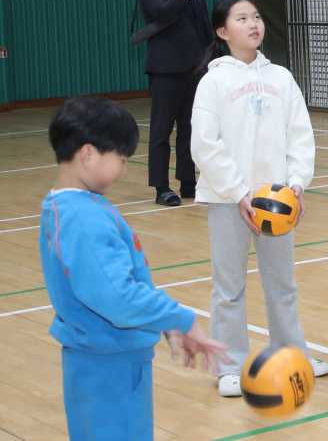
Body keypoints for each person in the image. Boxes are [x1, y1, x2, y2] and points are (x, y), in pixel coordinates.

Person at [39, 97, 227, 440]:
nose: (123, 170)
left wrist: (164, 326)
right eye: (121, 159)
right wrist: (179, 318)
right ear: (88, 153)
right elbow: (117, 297)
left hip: (106, 360)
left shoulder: (73, 206)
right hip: (108, 370)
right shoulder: (83, 218)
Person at [190, 0, 328, 397]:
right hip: (227, 200)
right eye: (241, 18)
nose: (253, 23)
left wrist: (297, 184)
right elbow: (205, 145)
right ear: (223, 31)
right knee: (228, 286)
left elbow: (300, 135)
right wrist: (238, 192)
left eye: (255, 16)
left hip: (277, 202)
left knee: (282, 284)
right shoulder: (213, 81)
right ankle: (230, 366)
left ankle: (291, 355)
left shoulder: (281, 78)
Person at [138, 0, 213, 207]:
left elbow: (203, 23)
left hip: (195, 69)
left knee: (191, 128)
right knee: (161, 130)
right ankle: (161, 187)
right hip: (165, 70)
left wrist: (212, 56)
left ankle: (189, 182)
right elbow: (161, 14)